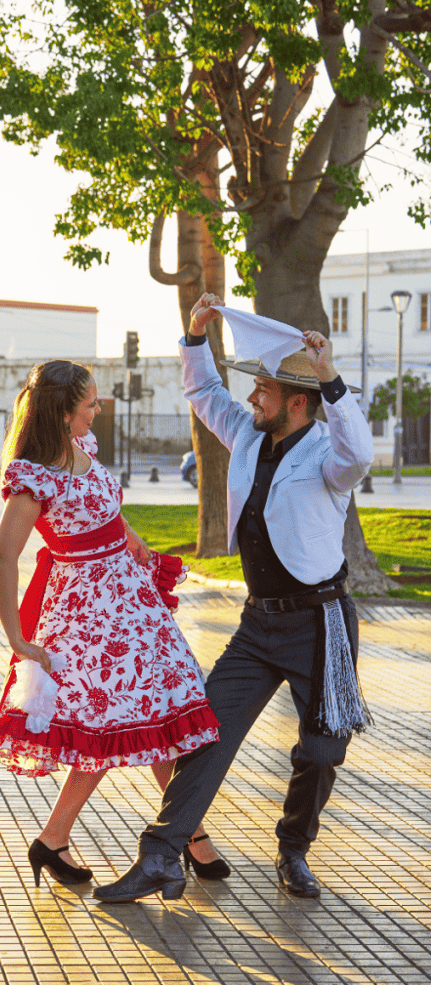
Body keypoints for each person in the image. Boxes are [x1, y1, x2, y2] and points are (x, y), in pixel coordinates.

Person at [94, 295, 374, 904]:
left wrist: (333, 380)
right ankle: (162, 857)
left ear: (297, 401)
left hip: (320, 625)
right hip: (257, 626)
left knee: (321, 752)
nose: (252, 398)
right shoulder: (248, 437)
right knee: (205, 733)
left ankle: (294, 849)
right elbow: (205, 396)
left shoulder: (330, 457)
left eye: (263, 391)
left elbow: (362, 453)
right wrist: (195, 339)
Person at [0, 360, 223, 892]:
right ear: (64, 410)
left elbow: (104, 510)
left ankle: (180, 834)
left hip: (129, 604)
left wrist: (132, 536)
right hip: (88, 619)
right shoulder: (34, 474)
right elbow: (4, 557)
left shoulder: (83, 450)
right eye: (90, 404)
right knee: (111, 730)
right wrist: (17, 639)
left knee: (160, 720)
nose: (98, 410)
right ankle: (66, 840)